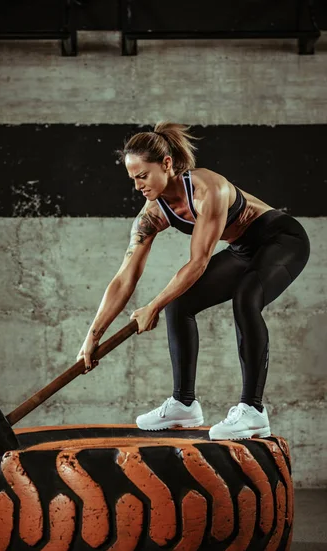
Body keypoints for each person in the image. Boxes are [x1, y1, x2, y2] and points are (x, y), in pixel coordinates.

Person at [76, 122, 310, 440]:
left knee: (246, 297)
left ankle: (253, 411)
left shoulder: (207, 190)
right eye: (133, 179)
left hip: (282, 239)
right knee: (180, 303)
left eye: (142, 175)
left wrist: (153, 306)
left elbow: (198, 262)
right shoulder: (151, 215)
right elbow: (124, 278)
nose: (137, 186)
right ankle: (184, 404)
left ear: (167, 164)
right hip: (244, 250)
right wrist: (92, 337)